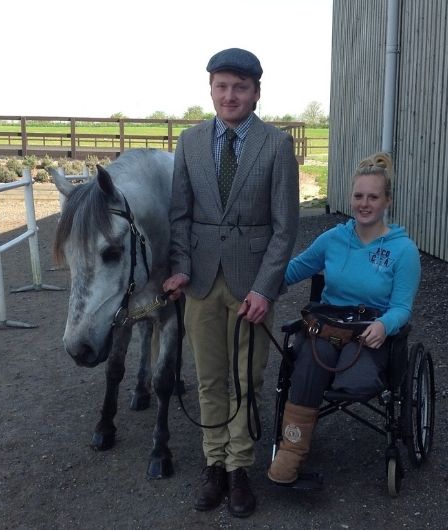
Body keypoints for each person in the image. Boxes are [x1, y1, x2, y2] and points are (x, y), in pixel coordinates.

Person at [162, 47, 299, 518]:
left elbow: (285, 227)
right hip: (200, 281)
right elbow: (179, 214)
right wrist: (178, 265)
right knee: (209, 379)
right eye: (222, 86)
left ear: (257, 93)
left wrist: (265, 288)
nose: (230, 95)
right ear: (211, 90)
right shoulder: (190, 142)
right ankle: (213, 464)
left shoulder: (277, 145)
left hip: (251, 287)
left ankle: (240, 468)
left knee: (247, 378)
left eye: (240, 87)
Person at [266, 152, 421, 485]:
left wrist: (385, 325)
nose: (364, 204)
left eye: (373, 197)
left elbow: (401, 308)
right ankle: (291, 451)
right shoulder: (333, 239)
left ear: (387, 201)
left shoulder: (404, 251)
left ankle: (310, 409)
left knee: (356, 382)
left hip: (368, 330)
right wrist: (260, 288)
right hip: (328, 324)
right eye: (358, 196)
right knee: (306, 366)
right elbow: (293, 271)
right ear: (351, 197)